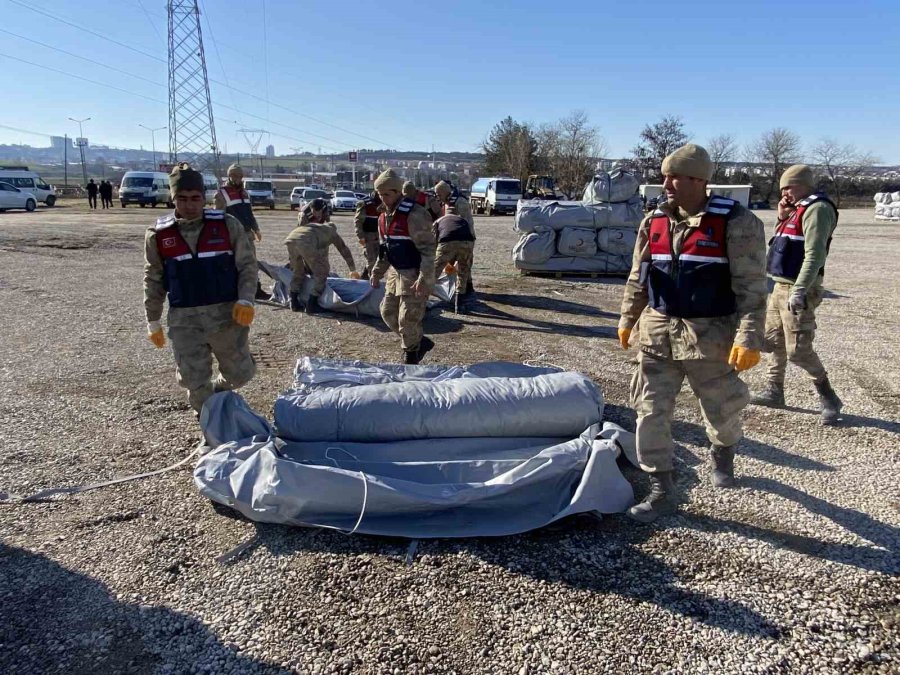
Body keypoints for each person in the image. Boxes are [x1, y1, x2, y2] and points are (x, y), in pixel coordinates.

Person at [617, 144, 768, 523]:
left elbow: (751, 287)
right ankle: (661, 487)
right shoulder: (653, 220)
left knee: (721, 409)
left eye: (675, 176)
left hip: (710, 337)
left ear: (700, 180)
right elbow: (639, 275)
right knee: (649, 411)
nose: (665, 183)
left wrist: (748, 338)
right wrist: (627, 318)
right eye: (665, 175)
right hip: (657, 334)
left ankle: (723, 452)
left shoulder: (736, 222)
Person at [143, 163, 258, 415]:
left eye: (195, 198)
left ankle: (217, 392)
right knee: (194, 380)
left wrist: (246, 299)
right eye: (182, 199)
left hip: (226, 316)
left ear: (203, 197)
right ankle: (209, 423)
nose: (189, 205)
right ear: (173, 199)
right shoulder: (158, 235)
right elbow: (153, 278)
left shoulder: (227, 225)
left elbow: (247, 265)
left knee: (240, 374)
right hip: (185, 321)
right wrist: (152, 319)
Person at [751, 164, 842, 424]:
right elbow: (784, 246)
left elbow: (815, 254)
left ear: (804, 184)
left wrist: (801, 289)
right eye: (782, 188)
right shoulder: (795, 210)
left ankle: (829, 397)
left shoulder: (818, 209)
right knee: (772, 341)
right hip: (780, 286)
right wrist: (781, 216)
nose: (785, 193)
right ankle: (774, 390)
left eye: (788, 187)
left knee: (799, 350)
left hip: (799, 287)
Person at [370, 169, 436, 364]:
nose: (383, 198)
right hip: (395, 273)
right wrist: (376, 272)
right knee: (387, 313)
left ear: (398, 192)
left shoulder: (415, 214)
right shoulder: (383, 217)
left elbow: (429, 250)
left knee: (407, 319)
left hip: (414, 274)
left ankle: (411, 357)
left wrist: (424, 278)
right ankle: (419, 342)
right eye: (380, 194)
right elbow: (385, 250)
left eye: (387, 194)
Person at [284, 197, 359, 313]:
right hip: (307, 241)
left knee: (298, 272)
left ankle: (294, 303)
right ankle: (311, 304)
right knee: (322, 272)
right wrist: (352, 269)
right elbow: (344, 251)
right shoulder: (306, 216)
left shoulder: (325, 215)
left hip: (291, 239)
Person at [214, 163, 268, 300]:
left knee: (252, 263)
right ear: (230, 176)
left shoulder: (244, 193)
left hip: (248, 234)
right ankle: (233, 289)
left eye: (240, 176)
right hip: (232, 235)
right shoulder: (222, 194)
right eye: (235, 176)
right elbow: (218, 216)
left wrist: (256, 229)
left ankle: (256, 289)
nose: (238, 178)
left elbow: (249, 214)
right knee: (234, 263)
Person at [434, 180, 477, 302]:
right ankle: (464, 289)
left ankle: (466, 291)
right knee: (456, 265)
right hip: (449, 237)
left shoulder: (460, 202)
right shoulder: (446, 203)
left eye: (439, 194)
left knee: (464, 265)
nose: (437, 197)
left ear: (444, 192)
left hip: (465, 237)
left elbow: (467, 222)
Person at [432, 214, 475, 313]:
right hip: (467, 242)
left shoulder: (437, 222)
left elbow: (433, 244)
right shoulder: (463, 220)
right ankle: (459, 304)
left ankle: (423, 299)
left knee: (434, 272)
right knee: (463, 273)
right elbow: (472, 236)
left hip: (446, 242)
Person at [353, 191, 381, 280]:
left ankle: (364, 277)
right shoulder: (365, 204)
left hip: (379, 235)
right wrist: (360, 236)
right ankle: (371, 281)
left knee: (378, 259)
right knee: (371, 260)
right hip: (368, 236)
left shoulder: (384, 203)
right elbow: (358, 221)